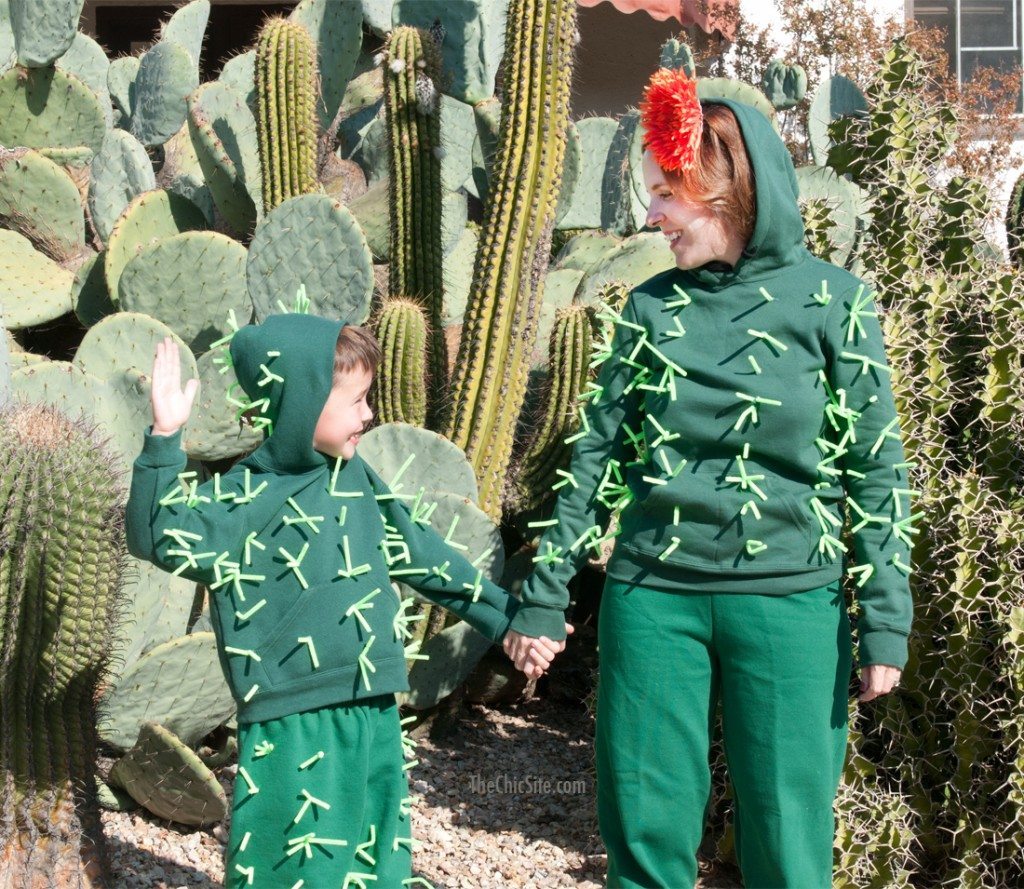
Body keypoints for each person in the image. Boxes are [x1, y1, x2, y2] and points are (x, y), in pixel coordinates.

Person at [504, 68, 915, 888]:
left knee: (788, 840)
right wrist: (545, 594)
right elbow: (593, 459)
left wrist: (886, 618)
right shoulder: (650, 309)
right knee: (645, 829)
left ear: (723, 189)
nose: (650, 215)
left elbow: (877, 467)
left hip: (793, 605)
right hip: (655, 597)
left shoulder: (837, 304)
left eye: (665, 195)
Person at [126, 314, 559, 888]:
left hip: (374, 704)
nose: (369, 414)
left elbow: (427, 558)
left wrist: (510, 622)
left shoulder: (356, 480)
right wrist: (165, 439)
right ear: (302, 402)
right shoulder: (243, 498)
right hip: (290, 721)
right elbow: (155, 532)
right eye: (355, 400)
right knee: (289, 865)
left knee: (373, 860)